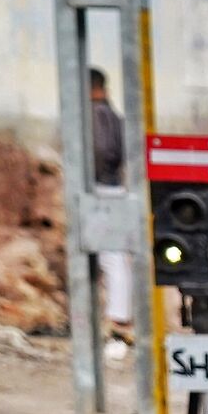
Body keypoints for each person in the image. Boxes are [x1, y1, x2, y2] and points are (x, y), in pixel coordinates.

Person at [88, 68, 135, 332]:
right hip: (115, 188)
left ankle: (118, 317)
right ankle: (118, 314)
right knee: (114, 257)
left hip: (101, 190)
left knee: (110, 257)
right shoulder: (115, 117)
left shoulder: (96, 117)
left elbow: (103, 152)